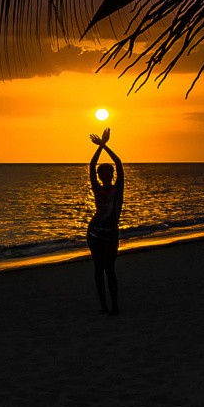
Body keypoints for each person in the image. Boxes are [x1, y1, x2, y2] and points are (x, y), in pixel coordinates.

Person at [86, 128, 124, 315]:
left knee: (109, 269)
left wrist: (104, 145)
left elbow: (119, 163)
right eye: (104, 174)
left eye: (109, 173)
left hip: (110, 234)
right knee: (98, 269)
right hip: (94, 233)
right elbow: (92, 167)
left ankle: (115, 305)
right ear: (101, 177)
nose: (106, 176)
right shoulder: (97, 188)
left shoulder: (118, 189)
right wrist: (99, 148)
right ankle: (103, 305)